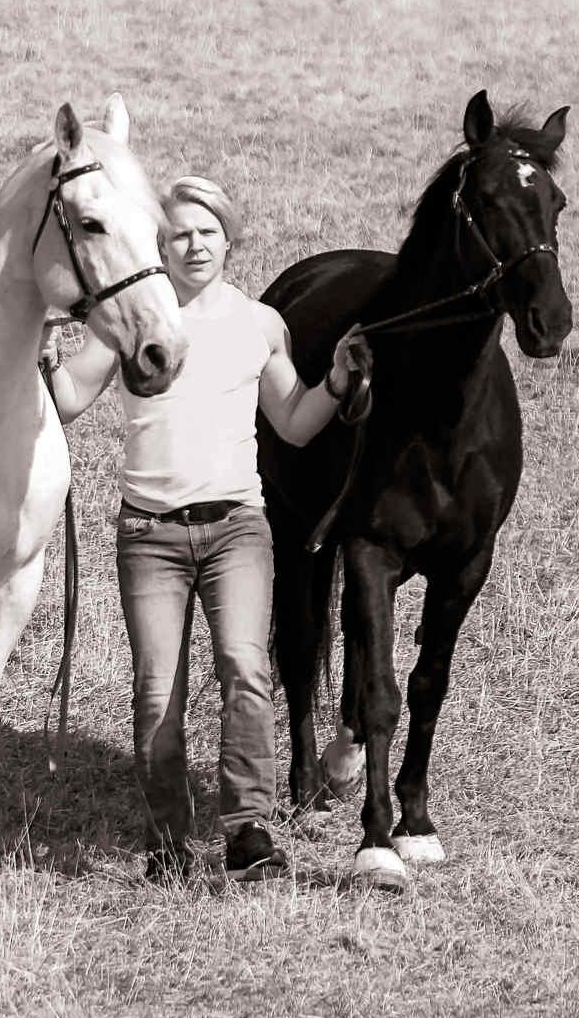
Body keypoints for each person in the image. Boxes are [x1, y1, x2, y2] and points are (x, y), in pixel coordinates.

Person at [46, 175, 359, 884]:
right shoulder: (128, 322)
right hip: (149, 537)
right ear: (159, 242)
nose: (193, 245)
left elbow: (294, 422)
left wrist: (336, 383)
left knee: (247, 672)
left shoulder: (258, 323)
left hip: (237, 532)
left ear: (229, 239)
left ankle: (249, 831)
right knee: (158, 691)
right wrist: (42, 353)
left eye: (207, 232)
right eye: (179, 233)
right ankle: (168, 841)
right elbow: (66, 399)